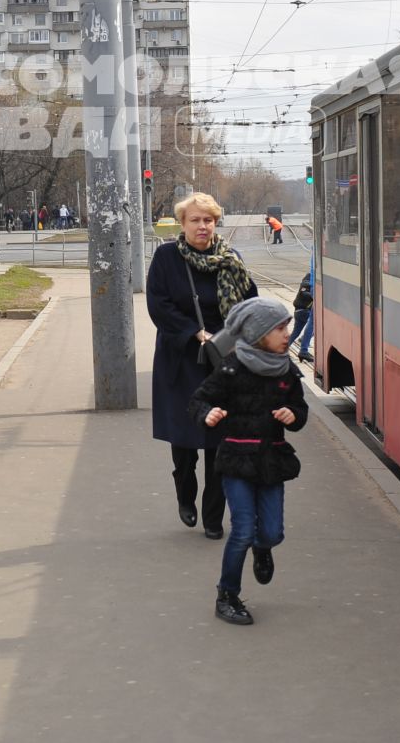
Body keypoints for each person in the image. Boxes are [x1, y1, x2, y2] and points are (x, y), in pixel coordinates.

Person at [145, 191, 258, 540]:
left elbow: (250, 304)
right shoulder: (166, 258)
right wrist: (196, 333)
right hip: (180, 361)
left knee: (219, 442)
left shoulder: (231, 260)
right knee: (185, 441)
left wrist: (232, 337)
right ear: (183, 224)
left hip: (221, 366)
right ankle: (185, 493)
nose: (203, 226)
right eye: (195, 220)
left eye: (208, 219)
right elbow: (158, 306)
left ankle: (213, 517)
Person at [193, 296, 308, 626]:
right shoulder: (231, 369)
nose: (288, 333)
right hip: (236, 460)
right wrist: (208, 413)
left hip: (271, 460)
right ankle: (227, 595)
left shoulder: (287, 370)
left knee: (271, 532)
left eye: (287, 326)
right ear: (259, 334)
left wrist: (292, 416)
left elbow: (300, 412)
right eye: (280, 328)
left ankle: (264, 547)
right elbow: (199, 399)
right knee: (242, 529)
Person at [290, 267, 315, 362]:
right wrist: (313, 296)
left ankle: (282, 350)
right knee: (313, 327)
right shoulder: (307, 283)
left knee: (295, 332)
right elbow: (304, 293)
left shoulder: (305, 282)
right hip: (304, 311)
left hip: (298, 312)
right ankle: (304, 346)